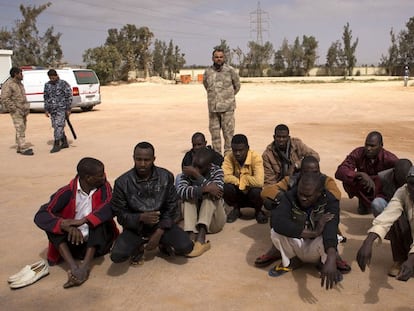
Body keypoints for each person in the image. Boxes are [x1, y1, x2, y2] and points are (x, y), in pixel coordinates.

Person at [34, 157, 119, 288]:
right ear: (88, 178)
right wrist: (65, 225)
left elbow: (110, 205)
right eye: (100, 175)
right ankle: (74, 268)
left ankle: (84, 267)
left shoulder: (104, 187)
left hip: (97, 244)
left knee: (98, 220)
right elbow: (41, 215)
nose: (104, 177)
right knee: (52, 225)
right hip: (73, 243)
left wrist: (84, 220)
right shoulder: (66, 192)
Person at [110, 142, 193, 265]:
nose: (142, 164)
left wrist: (159, 232)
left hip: (161, 225)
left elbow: (172, 207)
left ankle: (163, 243)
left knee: (186, 247)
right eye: (138, 159)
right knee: (117, 256)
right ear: (133, 158)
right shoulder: (122, 182)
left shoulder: (165, 176)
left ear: (154, 159)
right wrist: (140, 217)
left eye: (146, 160)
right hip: (135, 229)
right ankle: (138, 247)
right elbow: (120, 215)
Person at [256, 156, 346, 269]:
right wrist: (287, 199)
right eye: (308, 172)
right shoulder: (291, 181)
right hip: (298, 224)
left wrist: (316, 194)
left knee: (329, 229)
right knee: (275, 208)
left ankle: (332, 256)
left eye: (316, 172)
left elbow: (336, 195)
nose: (312, 175)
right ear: (301, 172)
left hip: (318, 222)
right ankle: (278, 251)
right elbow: (266, 191)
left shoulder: (325, 181)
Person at [270, 172, 343, 290]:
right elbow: (278, 222)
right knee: (275, 232)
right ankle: (292, 261)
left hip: (316, 247)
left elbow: (331, 228)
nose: (303, 198)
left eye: (308, 196)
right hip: (298, 244)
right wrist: (314, 232)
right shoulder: (290, 196)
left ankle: (325, 263)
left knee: (332, 236)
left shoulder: (330, 200)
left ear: (319, 193)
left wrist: (331, 257)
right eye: (300, 193)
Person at [357, 166, 414, 281]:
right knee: (396, 218)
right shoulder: (404, 190)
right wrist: (368, 242)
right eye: (411, 183)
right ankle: (401, 260)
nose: (413, 189)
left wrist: (412, 260)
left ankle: (410, 263)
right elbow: (388, 215)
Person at [177, 147, 226, 257]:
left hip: (214, 222)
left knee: (210, 198)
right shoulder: (188, 172)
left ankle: (201, 237)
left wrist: (198, 176)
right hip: (194, 223)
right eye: (194, 166)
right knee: (189, 197)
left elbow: (218, 192)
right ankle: (190, 234)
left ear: (209, 166)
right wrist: (204, 189)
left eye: (200, 168)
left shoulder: (217, 171)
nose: (195, 169)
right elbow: (181, 191)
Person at [335, 131, 399, 214]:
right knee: (349, 178)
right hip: (364, 186)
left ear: (381, 145)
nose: (368, 148)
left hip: (381, 190)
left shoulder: (389, 159)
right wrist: (359, 174)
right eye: (367, 145)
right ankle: (363, 202)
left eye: (372, 146)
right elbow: (340, 171)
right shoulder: (358, 153)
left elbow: (401, 174)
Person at [203, 48, 241, 155]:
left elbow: (237, 86)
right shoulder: (208, 72)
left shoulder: (230, 71)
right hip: (213, 109)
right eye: (216, 57)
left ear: (224, 58)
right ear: (212, 58)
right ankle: (217, 158)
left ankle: (228, 158)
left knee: (228, 135)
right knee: (215, 135)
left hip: (227, 109)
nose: (219, 59)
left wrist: (227, 98)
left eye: (221, 57)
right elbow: (206, 85)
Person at [222, 134, 267, 224]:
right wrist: (239, 182)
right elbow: (223, 177)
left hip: (251, 192)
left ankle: (258, 211)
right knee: (226, 187)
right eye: (235, 150)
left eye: (241, 150)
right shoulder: (229, 157)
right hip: (238, 192)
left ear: (247, 148)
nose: (237, 153)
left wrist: (244, 180)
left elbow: (259, 182)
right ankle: (236, 209)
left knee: (257, 191)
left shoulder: (256, 157)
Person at [0, 67, 33, 155]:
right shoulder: (8, 84)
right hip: (16, 111)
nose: (22, 75)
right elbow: (4, 98)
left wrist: (25, 108)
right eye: (20, 73)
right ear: (15, 74)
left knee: (22, 128)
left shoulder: (19, 84)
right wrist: (13, 108)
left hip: (23, 110)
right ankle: (22, 148)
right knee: (20, 128)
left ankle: (19, 146)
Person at [44, 69, 73, 153]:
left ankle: (57, 143)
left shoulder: (63, 84)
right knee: (55, 126)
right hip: (52, 110)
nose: (52, 79)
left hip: (61, 109)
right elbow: (46, 97)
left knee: (59, 125)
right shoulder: (47, 85)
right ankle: (64, 141)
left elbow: (69, 96)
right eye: (50, 78)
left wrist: (68, 109)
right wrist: (46, 109)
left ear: (56, 75)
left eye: (53, 77)